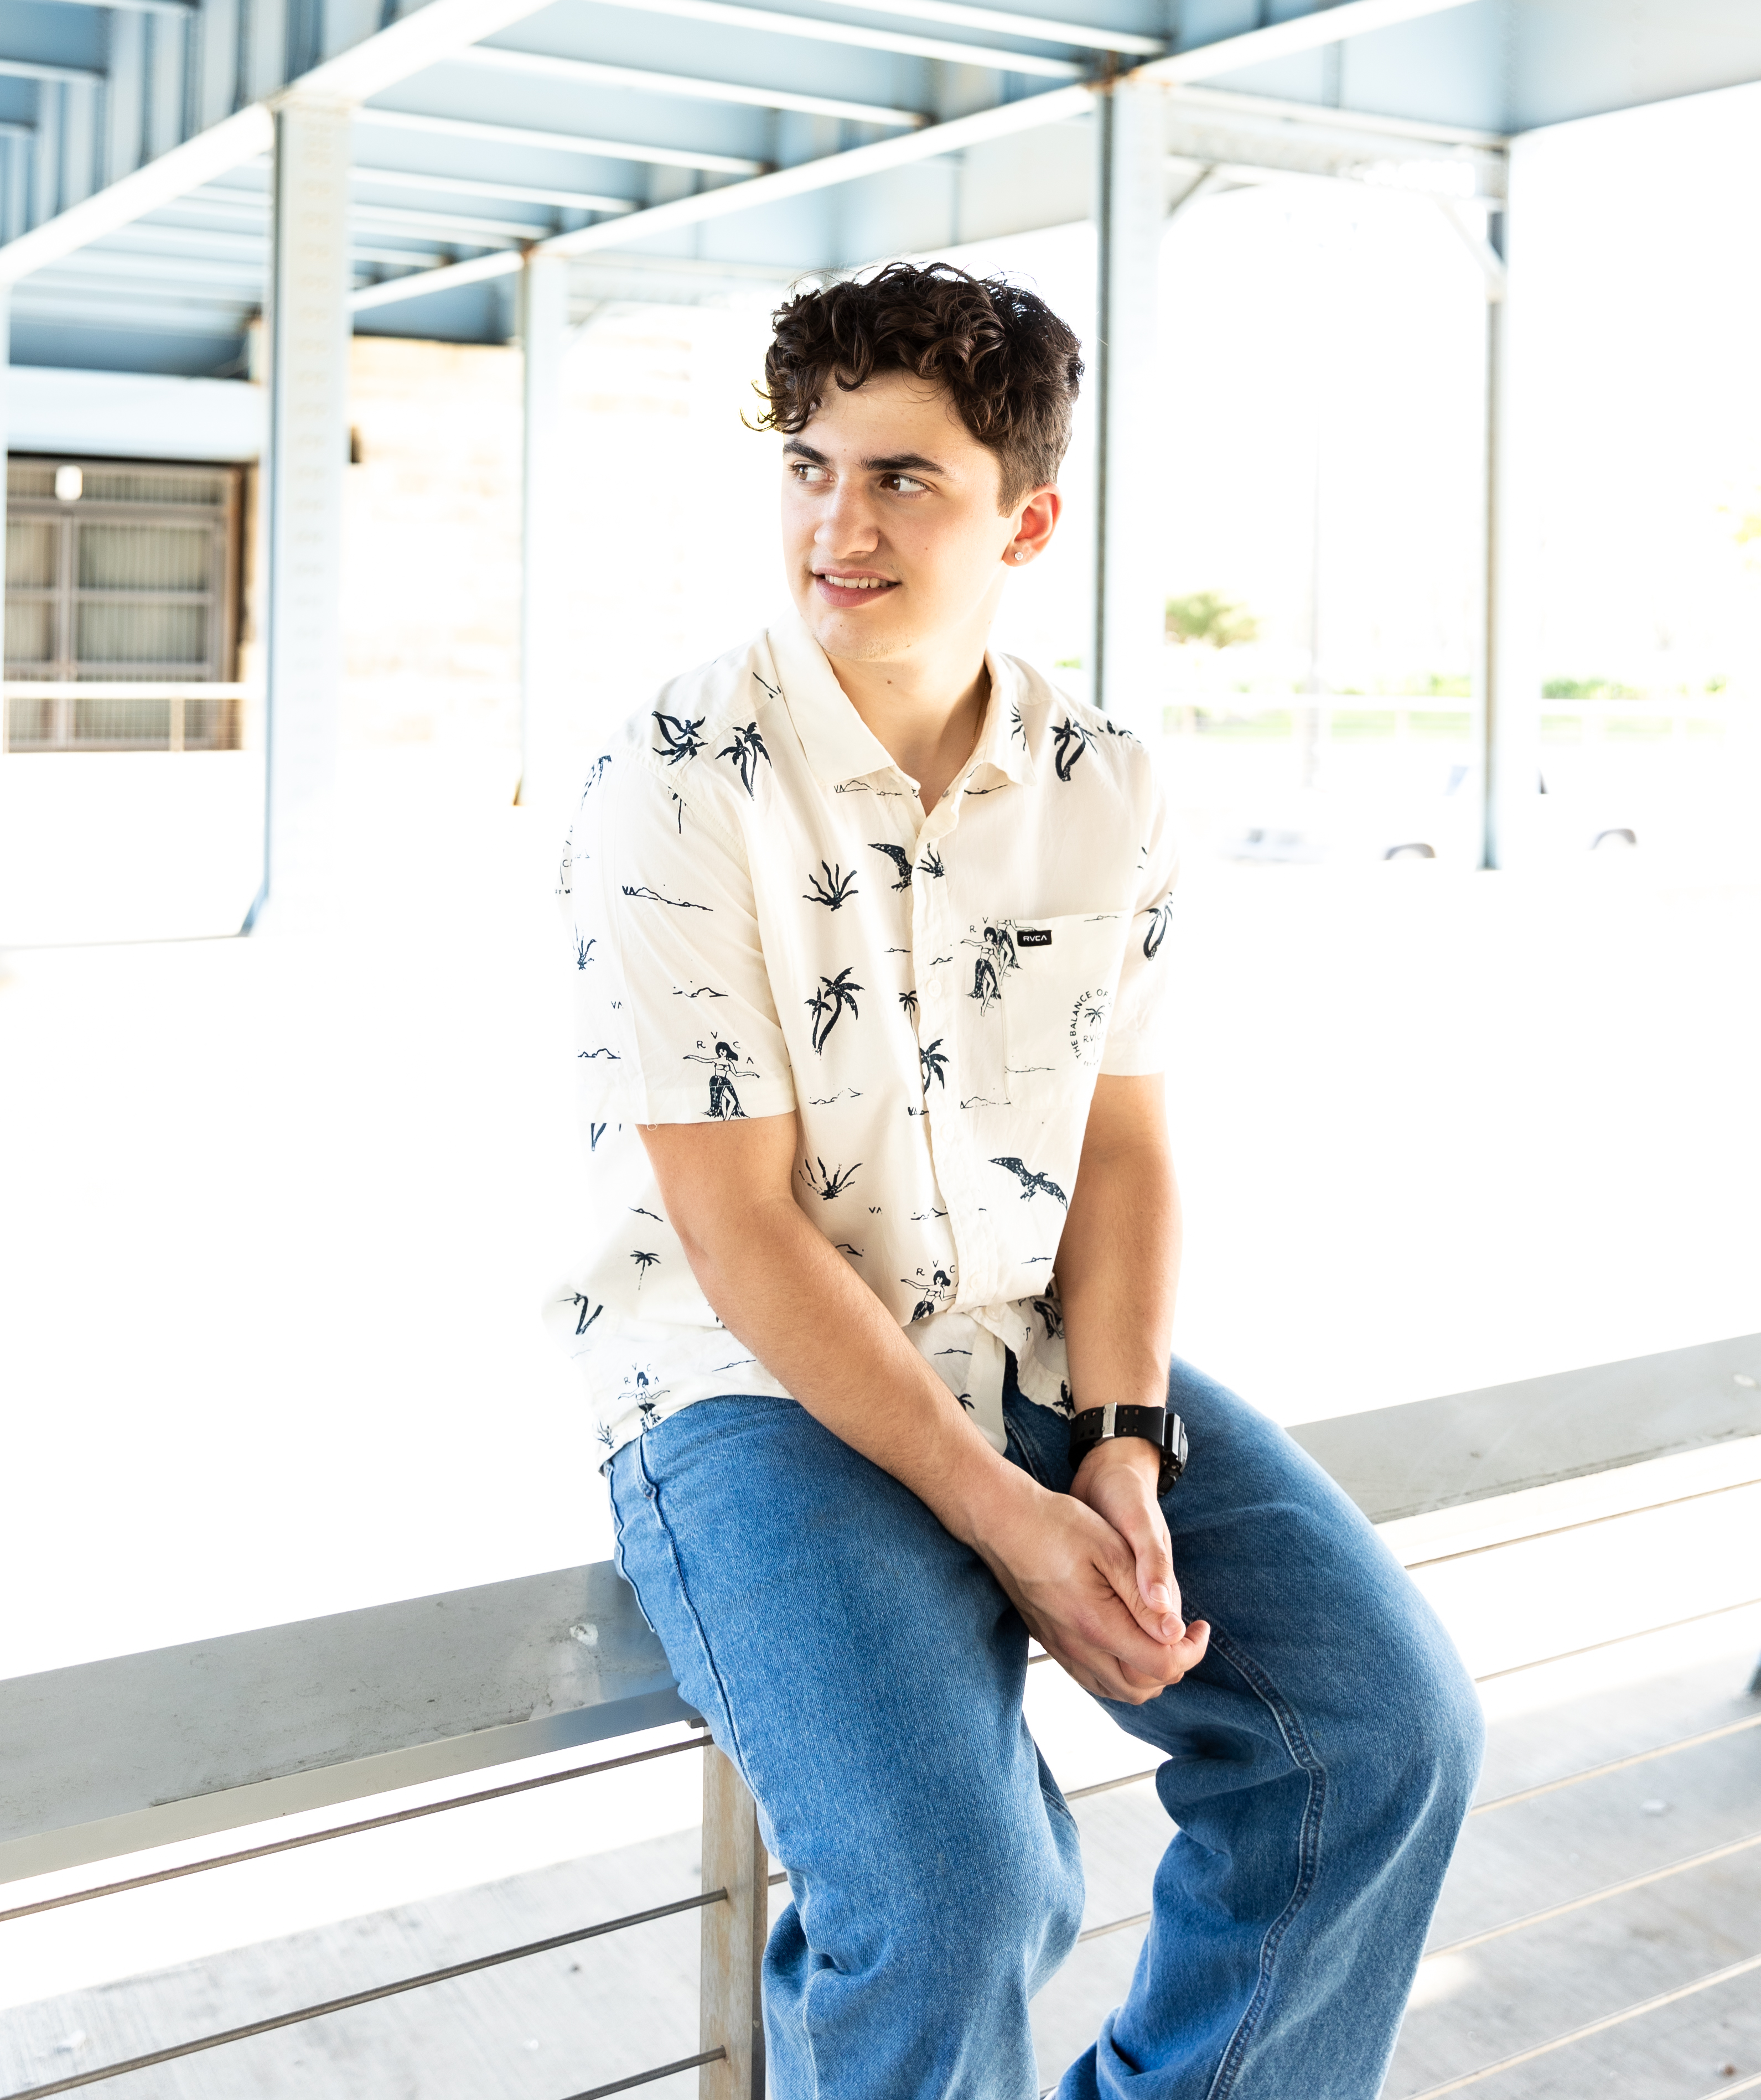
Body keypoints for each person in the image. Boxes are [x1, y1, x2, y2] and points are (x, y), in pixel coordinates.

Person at [548, 260, 1480, 2099]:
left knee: (1383, 1734)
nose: (841, 520)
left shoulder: (1106, 782)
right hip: (747, 1380)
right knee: (956, 1892)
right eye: (812, 466)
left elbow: (1122, 1145)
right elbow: (734, 1225)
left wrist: (1121, 1439)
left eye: (907, 478)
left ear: (1026, 518)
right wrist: (1004, 1516)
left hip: (1038, 1339)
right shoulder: (679, 771)